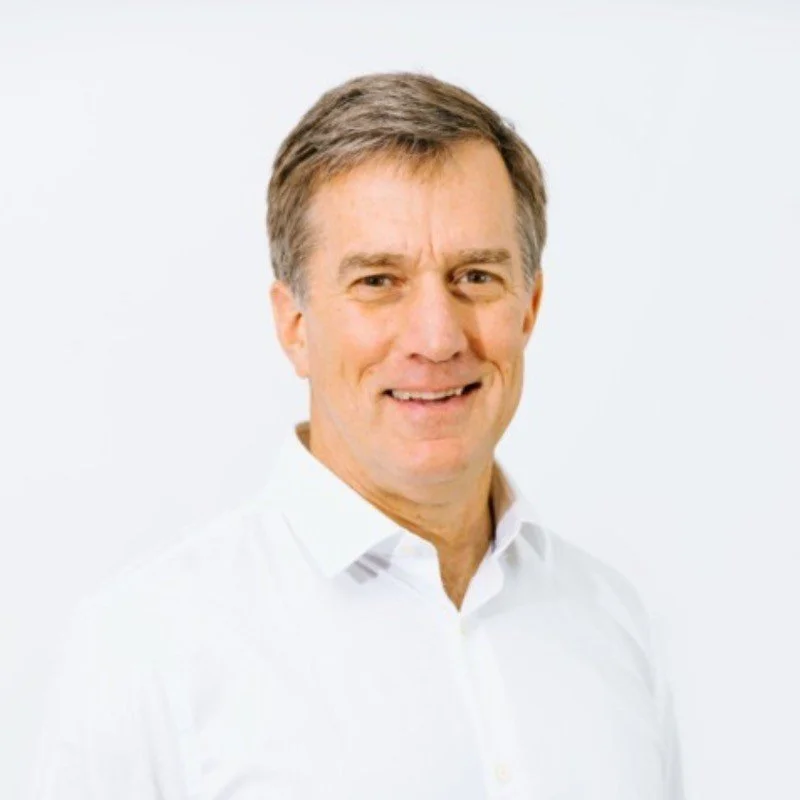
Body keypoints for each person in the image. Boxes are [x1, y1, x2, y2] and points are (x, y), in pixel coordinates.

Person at [33, 71, 684, 799]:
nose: (437, 338)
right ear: (295, 325)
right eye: (378, 281)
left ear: (529, 307)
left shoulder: (608, 620)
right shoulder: (149, 647)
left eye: (475, 276)